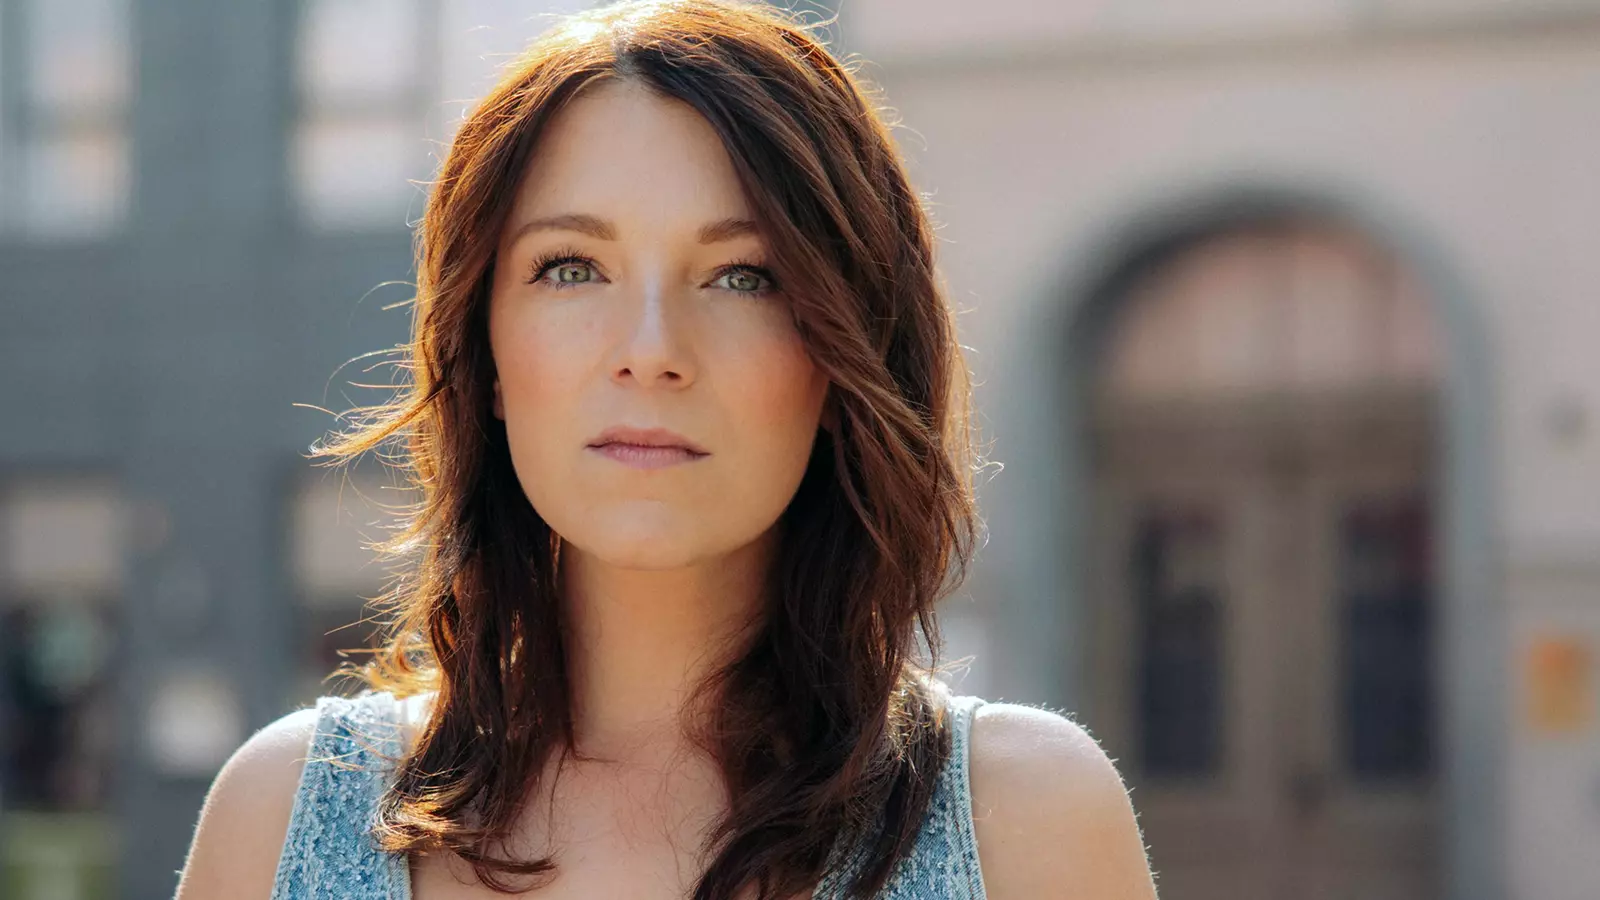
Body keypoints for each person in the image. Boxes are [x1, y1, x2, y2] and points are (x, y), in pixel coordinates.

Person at [175, 2, 1158, 898]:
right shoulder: (286, 818)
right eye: (571, 268)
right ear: (483, 354)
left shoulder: (1022, 822)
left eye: (741, 276)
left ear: (843, 355)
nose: (649, 351)